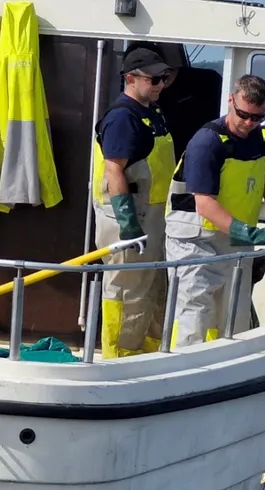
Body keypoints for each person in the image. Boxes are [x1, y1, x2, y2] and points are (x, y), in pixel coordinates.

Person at [164, 74, 265, 349]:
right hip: (194, 240)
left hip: (234, 241)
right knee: (194, 314)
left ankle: (224, 368)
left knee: (234, 316)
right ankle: (180, 371)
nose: (249, 123)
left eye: (256, 117)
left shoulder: (261, 139)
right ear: (230, 101)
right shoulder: (207, 142)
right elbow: (204, 203)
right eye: (243, 114)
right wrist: (252, 234)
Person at [91, 47, 177, 358]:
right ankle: (118, 355)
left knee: (151, 290)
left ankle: (148, 353)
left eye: (165, 78)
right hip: (132, 220)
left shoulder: (151, 111)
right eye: (155, 79)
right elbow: (113, 169)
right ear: (130, 79)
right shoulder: (122, 118)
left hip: (154, 216)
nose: (161, 85)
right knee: (127, 292)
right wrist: (128, 224)